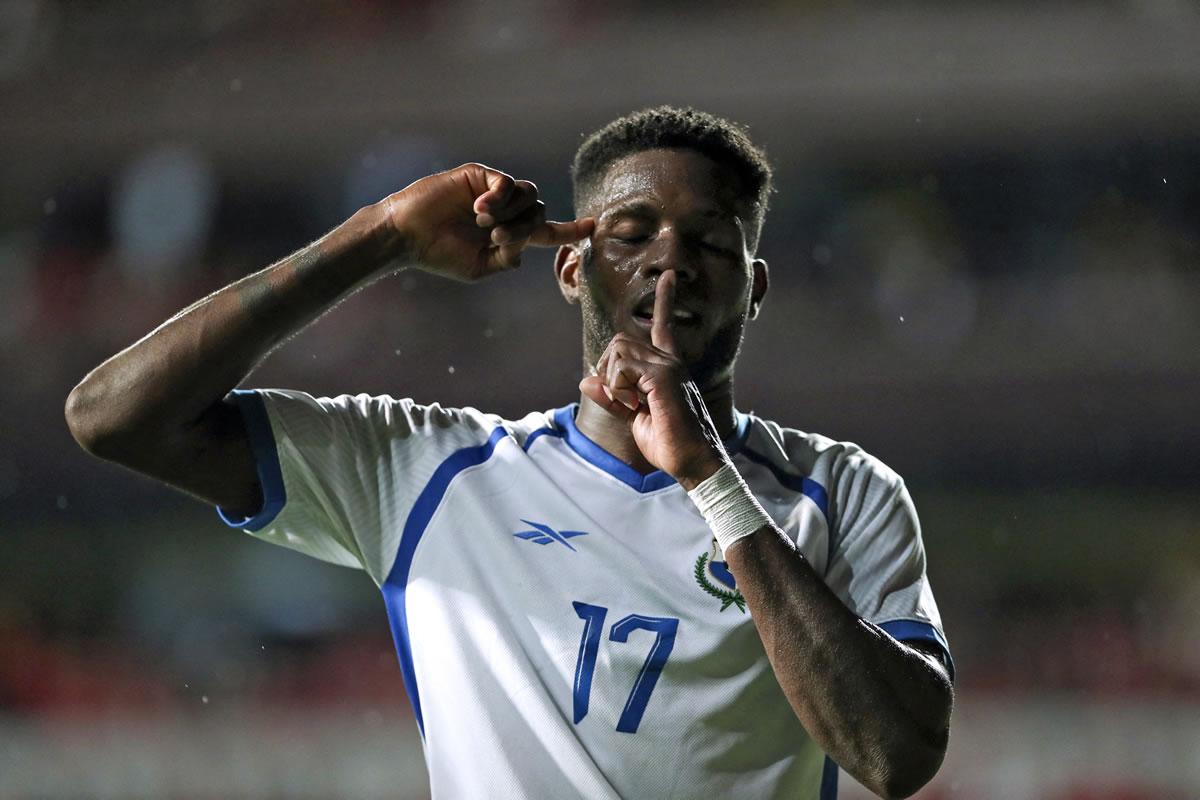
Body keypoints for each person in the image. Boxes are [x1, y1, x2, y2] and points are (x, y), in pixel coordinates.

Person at [66, 107, 953, 800]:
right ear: (572, 268)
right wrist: (382, 237)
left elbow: (895, 754)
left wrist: (709, 481)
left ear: (753, 289)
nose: (670, 265)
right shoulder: (433, 475)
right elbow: (115, 416)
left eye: (711, 244)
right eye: (632, 234)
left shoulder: (844, 493)